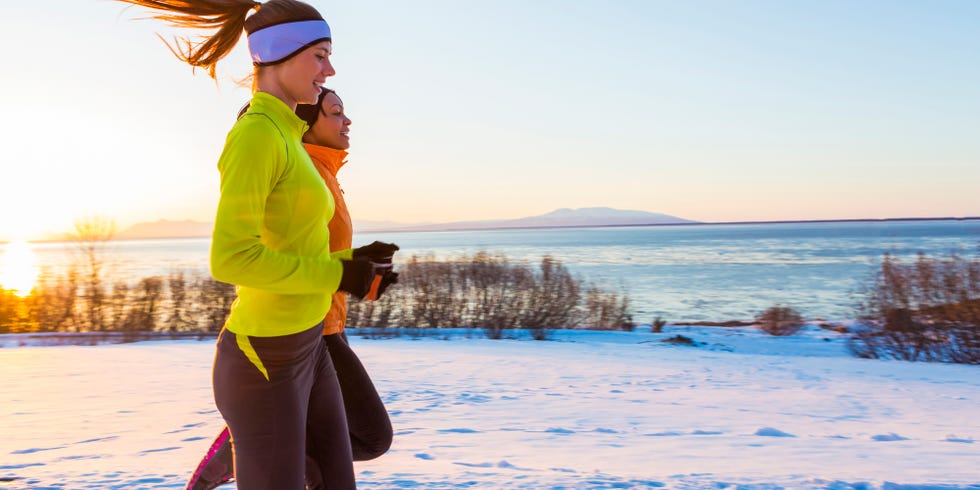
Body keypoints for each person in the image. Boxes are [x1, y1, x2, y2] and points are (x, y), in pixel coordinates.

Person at [112, 1, 397, 488]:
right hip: (264, 358)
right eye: (321, 56)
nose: (330, 69)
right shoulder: (255, 137)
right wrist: (337, 274)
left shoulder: (288, 135)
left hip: (309, 345)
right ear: (282, 54)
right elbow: (232, 258)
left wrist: (352, 262)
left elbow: (291, 239)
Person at [187, 88, 396, 490]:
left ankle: (260, 445)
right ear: (307, 124)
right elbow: (246, 256)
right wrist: (344, 273)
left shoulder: (324, 174)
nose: (347, 121)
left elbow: (317, 251)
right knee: (371, 435)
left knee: (364, 441)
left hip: (326, 323)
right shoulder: (299, 168)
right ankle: (248, 446)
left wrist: (361, 265)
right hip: (304, 330)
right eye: (335, 113)